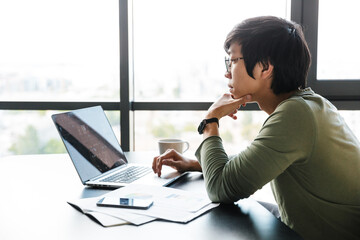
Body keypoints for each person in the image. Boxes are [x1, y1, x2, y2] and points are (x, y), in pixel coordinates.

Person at [152, 16, 360, 240]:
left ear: (265, 67)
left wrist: (210, 121)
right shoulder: (308, 106)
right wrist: (197, 164)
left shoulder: (296, 115)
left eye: (232, 61)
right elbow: (252, 164)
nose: (227, 72)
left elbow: (220, 189)